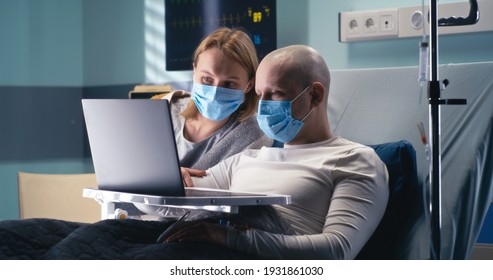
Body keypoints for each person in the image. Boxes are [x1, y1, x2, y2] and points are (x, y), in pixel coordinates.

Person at [167, 45, 390, 259]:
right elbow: (168, 207)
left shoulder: (354, 160)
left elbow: (335, 251)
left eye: (275, 94)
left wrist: (227, 237)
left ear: (314, 95)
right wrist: (168, 179)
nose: (262, 107)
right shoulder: (244, 160)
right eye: (259, 94)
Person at [156, 27, 273, 169]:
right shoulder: (165, 109)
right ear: (194, 72)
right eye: (207, 79)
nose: (215, 92)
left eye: (229, 84)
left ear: (249, 85)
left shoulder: (254, 136)